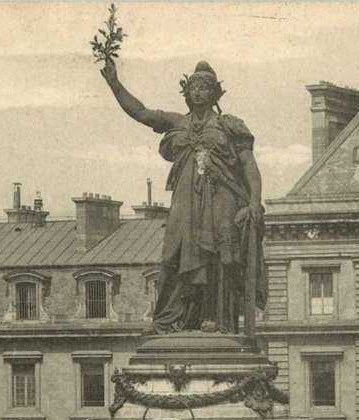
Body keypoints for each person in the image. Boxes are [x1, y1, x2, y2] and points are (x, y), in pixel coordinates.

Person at [101, 58, 267, 335]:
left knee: (215, 255)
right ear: (187, 92)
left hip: (221, 196)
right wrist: (115, 84)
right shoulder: (178, 122)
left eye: (205, 87)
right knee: (173, 254)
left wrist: (254, 201)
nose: (198, 91)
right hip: (184, 199)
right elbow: (141, 112)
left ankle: (214, 317)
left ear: (216, 93)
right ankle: (168, 319)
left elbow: (249, 165)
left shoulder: (229, 125)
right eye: (194, 86)